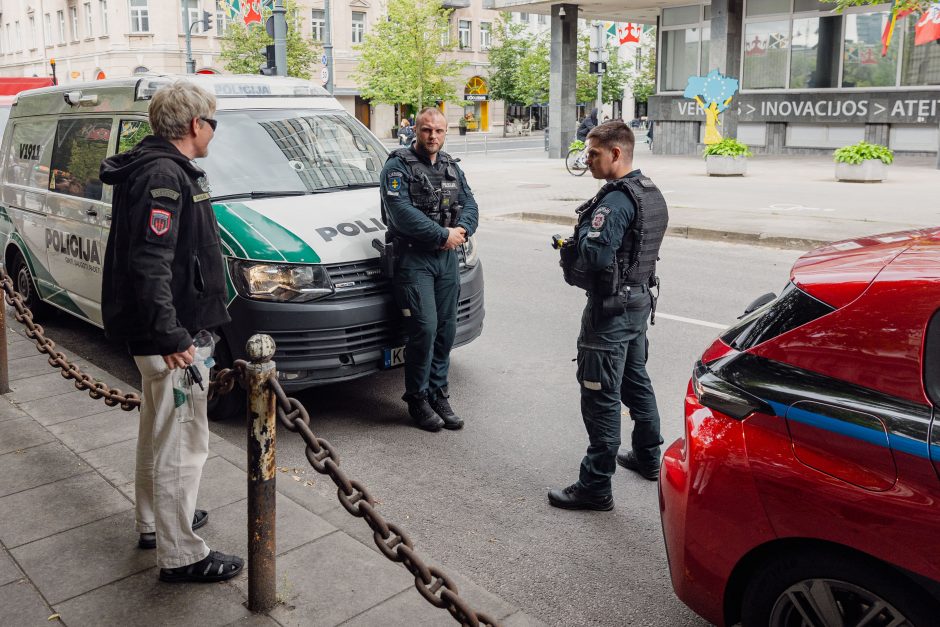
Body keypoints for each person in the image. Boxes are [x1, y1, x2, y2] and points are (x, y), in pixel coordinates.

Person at [99, 80, 244, 582]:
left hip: (162, 332)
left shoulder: (158, 167)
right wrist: (175, 336)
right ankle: (181, 552)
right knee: (182, 442)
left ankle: (152, 523)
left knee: (158, 433)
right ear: (193, 125)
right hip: (172, 337)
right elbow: (151, 263)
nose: (214, 131)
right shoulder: (164, 174)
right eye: (213, 122)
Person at [548, 120, 668, 511]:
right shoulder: (650, 192)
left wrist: (574, 239)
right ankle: (649, 458)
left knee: (600, 394)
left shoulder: (616, 200)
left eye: (594, 152)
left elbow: (596, 256)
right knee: (636, 381)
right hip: (638, 304)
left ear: (616, 153)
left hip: (610, 311)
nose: (587, 159)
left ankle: (595, 486)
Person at [380, 107, 479, 431]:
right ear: (416, 131)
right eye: (426, 130)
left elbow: (470, 203)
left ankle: (439, 393)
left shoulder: (451, 166)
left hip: (447, 258)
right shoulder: (398, 165)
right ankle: (417, 398)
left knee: (446, 329)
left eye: (438, 131)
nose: (432, 136)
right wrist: (442, 235)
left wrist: (461, 230)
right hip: (415, 259)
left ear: (445, 132)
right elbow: (400, 212)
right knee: (424, 328)